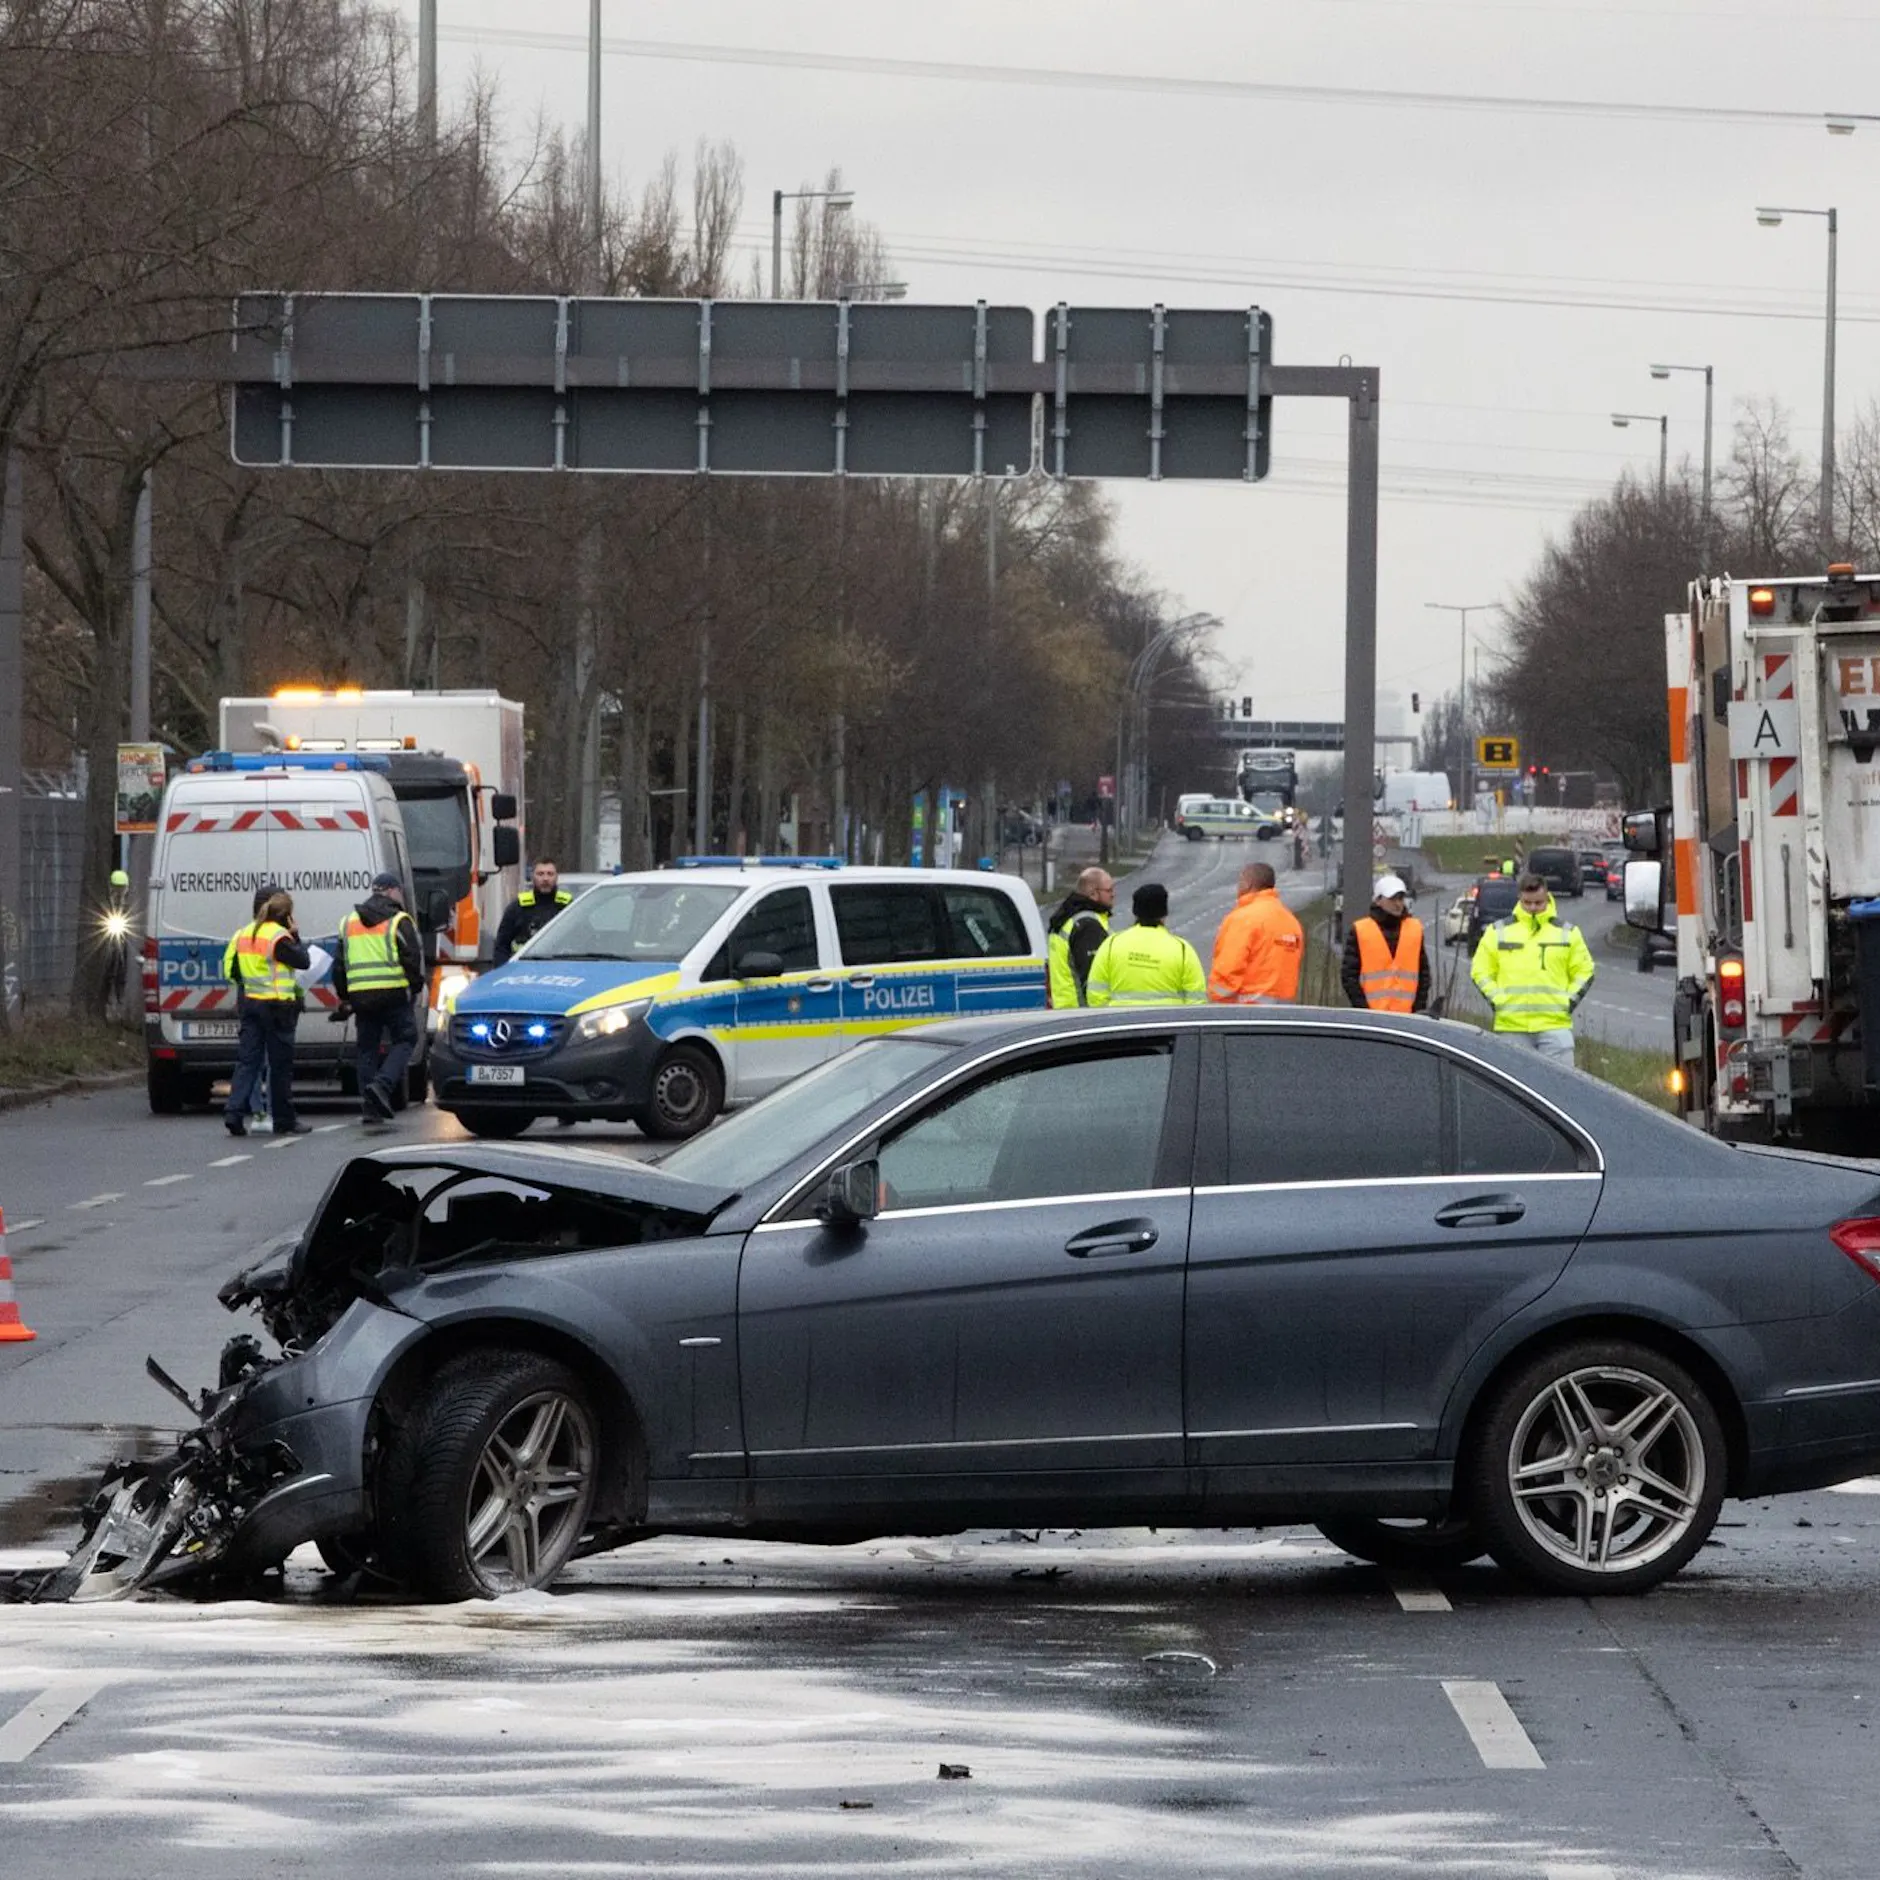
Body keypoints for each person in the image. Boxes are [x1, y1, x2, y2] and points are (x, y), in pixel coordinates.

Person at [1470, 871, 1595, 1063]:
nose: (1533, 908)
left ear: (1547, 898)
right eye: (1527, 903)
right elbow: (1480, 970)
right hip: (1512, 1025)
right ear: (1519, 898)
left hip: (1554, 1025)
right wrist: (1497, 1000)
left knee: (1559, 1081)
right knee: (1513, 1081)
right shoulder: (1498, 932)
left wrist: (1567, 1002)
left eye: (1538, 903)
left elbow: (1585, 971)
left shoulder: (1567, 933)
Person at [333, 871, 425, 1128]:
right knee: (406, 1039)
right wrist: (415, 988)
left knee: (367, 1049)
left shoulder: (348, 922)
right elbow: (412, 959)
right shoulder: (399, 920)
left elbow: (338, 965)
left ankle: (370, 1108)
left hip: (361, 996)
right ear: (392, 891)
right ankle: (382, 1085)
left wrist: (345, 996)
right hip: (393, 993)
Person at [222, 888, 311, 1136]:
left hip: (251, 1003)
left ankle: (233, 1112)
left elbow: (235, 970)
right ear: (286, 915)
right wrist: (296, 935)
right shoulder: (279, 937)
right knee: (280, 1066)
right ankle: (284, 1120)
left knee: (247, 1062)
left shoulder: (244, 934)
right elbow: (303, 961)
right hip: (277, 1006)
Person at [1085, 882, 1207, 1007]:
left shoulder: (1112, 944)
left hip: (1121, 1018)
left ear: (1135, 912)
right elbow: (1196, 1000)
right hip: (1168, 1018)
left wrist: (1111, 1015)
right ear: (1164, 914)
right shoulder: (1182, 950)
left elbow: (1095, 994)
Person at [1208, 861, 1305, 1005]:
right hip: (1284, 1013)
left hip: (1246, 1012)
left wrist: (1217, 998)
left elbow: (1228, 969)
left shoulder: (1243, 919)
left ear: (1248, 884)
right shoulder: (1291, 922)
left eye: (1240, 881)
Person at [1341, 873, 1431, 1014]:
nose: (1398, 903)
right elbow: (1349, 976)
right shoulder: (1360, 930)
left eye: (1400, 898)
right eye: (1392, 898)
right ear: (1378, 900)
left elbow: (1424, 975)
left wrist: (1418, 1010)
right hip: (1372, 1017)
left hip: (1407, 1017)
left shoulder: (1415, 929)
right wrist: (1363, 1010)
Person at [1045, 866, 1114, 1008]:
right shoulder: (1087, 926)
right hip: (1082, 1010)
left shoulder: (1066, 919)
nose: (1113, 894)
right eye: (1109, 890)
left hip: (1066, 1008)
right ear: (1093, 893)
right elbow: (1092, 978)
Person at [494, 859, 572, 965]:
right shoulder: (518, 907)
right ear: (532, 877)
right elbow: (501, 946)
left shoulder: (568, 906)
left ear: (557, 877)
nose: (545, 878)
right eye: (540, 874)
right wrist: (503, 971)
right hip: (524, 967)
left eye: (550, 874)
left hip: (561, 966)